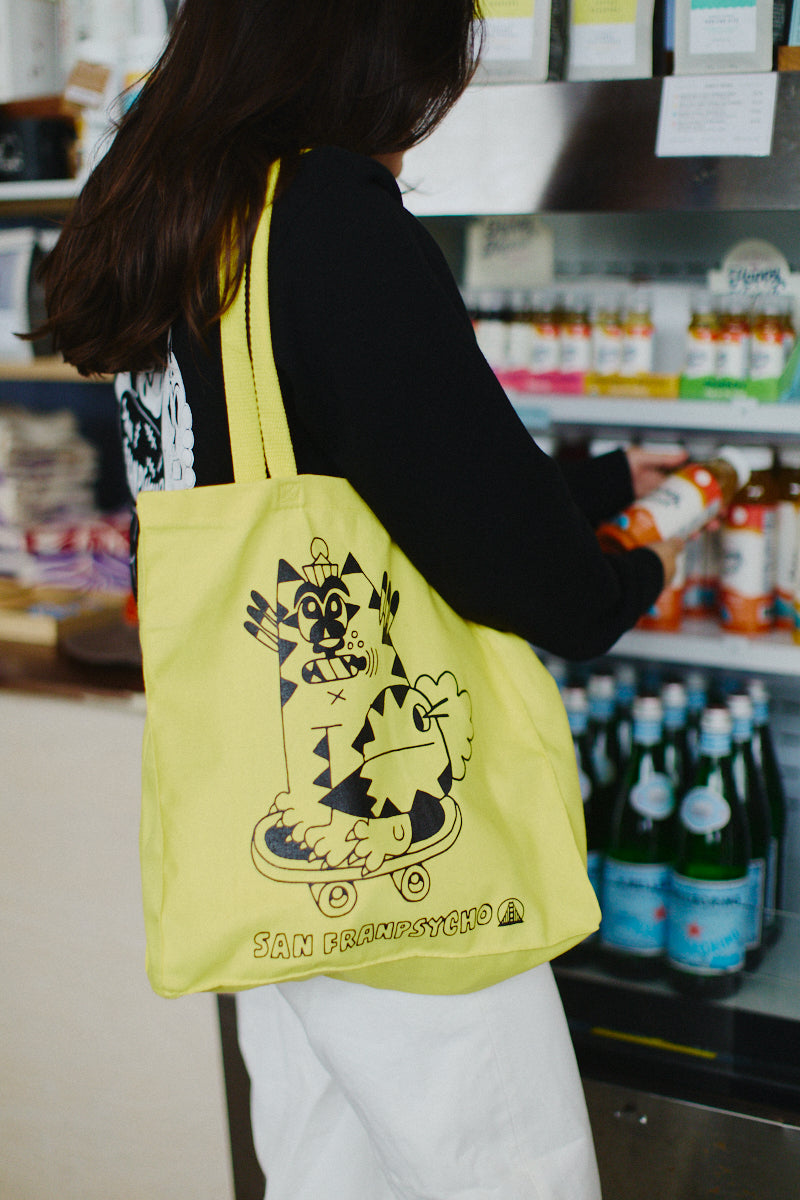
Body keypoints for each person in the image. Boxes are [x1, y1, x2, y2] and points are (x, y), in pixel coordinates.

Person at [35, 3, 687, 1197]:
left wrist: (594, 482)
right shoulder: (323, 212)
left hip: (269, 825)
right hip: (403, 862)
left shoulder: (172, 215)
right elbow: (532, 577)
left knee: (325, 1170)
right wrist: (641, 563)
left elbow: (325, 465)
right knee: (508, 1174)